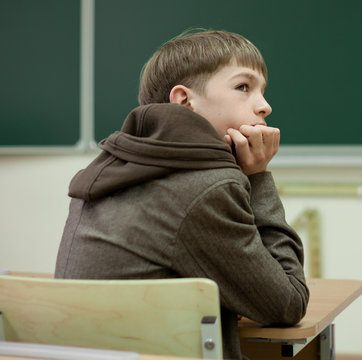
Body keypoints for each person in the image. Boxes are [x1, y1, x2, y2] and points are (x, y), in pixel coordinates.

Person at [54, 29, 309, 359]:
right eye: (244, 87)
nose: (265, 106)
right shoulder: (206, 187)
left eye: (263, 91)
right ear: (184, 101)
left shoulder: (109, 170)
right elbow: (289, 303)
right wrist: (258, 179)